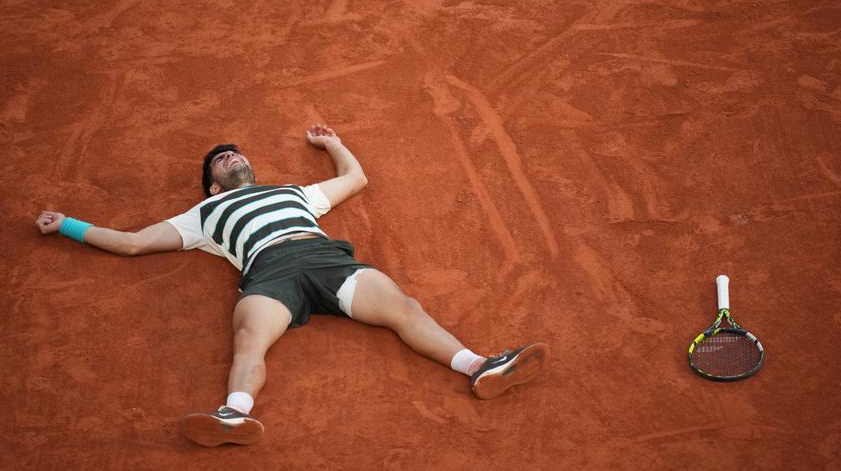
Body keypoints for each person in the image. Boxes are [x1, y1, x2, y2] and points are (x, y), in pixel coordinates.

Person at [35, 124, 547, 447]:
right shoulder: (204, 213)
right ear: (213, 185)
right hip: (269, 272)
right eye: (221, 159)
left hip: (324, 259)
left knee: (404, 308)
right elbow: (131, 243)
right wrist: (69, 225)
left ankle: (480, 367)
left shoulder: (293, 192)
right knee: (249, 338)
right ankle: (233, 416)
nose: (232, 156)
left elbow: (356, 179)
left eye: (235, 152)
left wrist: (334, 144)